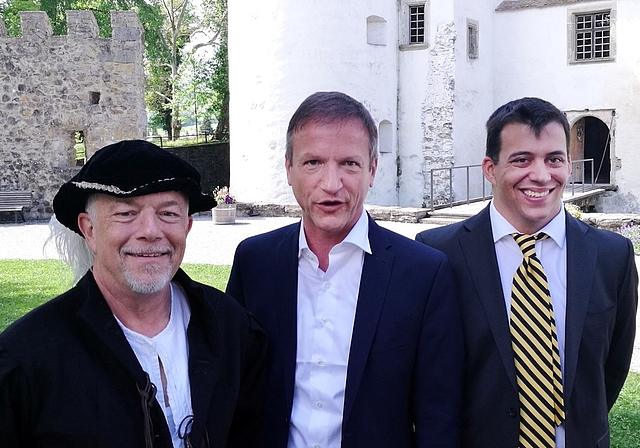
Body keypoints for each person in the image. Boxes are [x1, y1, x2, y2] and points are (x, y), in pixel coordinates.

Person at [226, 91, 464, 448]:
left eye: (349, 164)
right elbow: (234, 389)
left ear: (372, 170)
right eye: (313, 163)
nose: (331, 184)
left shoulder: (424, 274)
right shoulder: (255, 261)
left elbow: (439, 416)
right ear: (288, 168)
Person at [0, 140, 267, 448]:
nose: (150, 230)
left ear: (187, 226)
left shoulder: (231, 329)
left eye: (168, 214)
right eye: (126, 213)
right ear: (89, 230)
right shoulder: (29, 358)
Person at [416, 97, 638, 447]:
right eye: (522, 160)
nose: (540, 175)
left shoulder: (612, 257)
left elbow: (610, 371)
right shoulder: (437, 254)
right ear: (490, 168)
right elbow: (427, 380)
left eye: (554, 159)